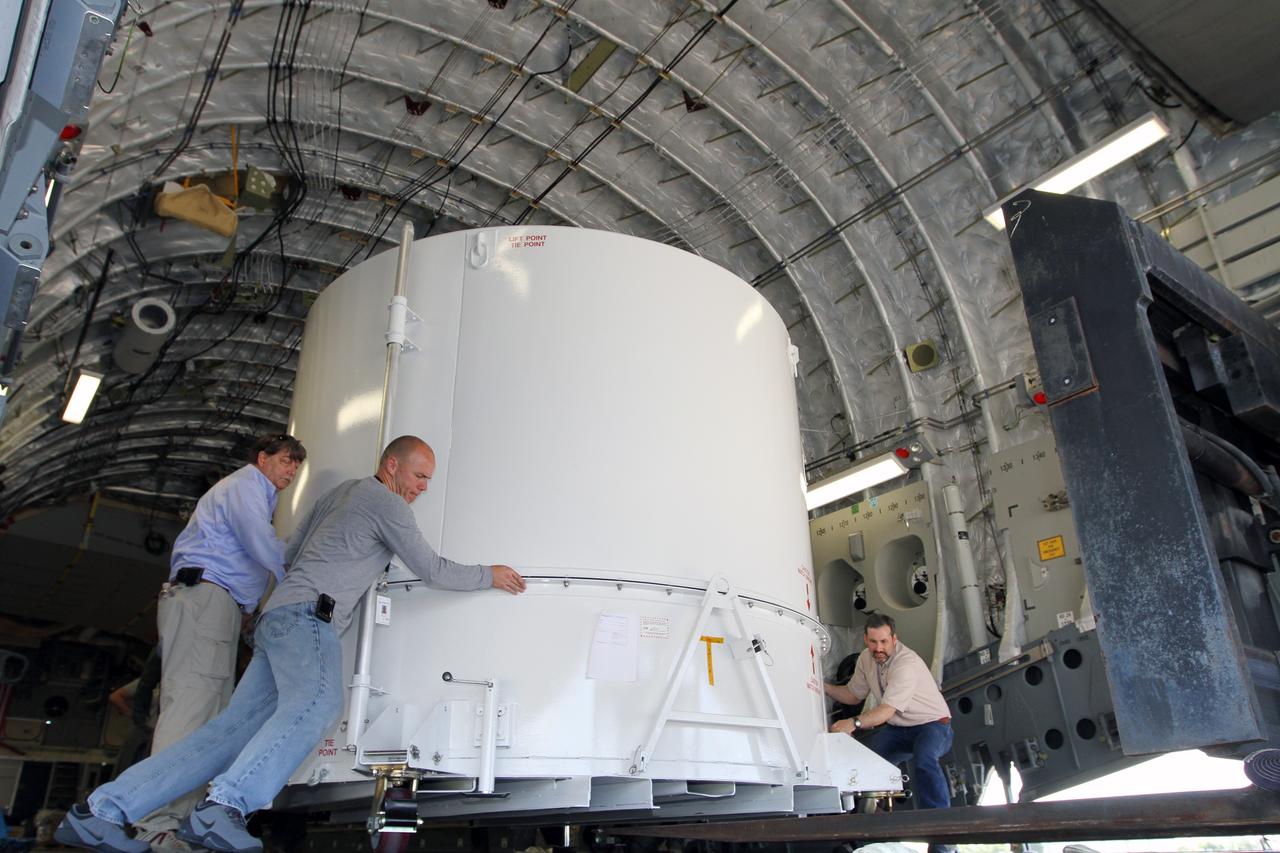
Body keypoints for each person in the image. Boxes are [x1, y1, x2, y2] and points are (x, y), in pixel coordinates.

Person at [57, 435, 526, 853]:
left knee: (225, 734)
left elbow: (289, 553)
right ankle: (225, 804)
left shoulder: (337, 495)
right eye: (420, 476)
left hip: (278, 616)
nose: (423, 487)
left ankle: (102, 810)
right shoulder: (386, 503)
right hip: (308, 618)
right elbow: (432, 568)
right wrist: (490, 575)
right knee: (320, 705)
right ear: (392, 467)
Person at [133, 434, 306, 851]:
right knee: (191, 709)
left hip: (218, 606)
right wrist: (298, 577)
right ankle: (154, 820)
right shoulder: (246, 486)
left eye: (297, 468)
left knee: (208, 714)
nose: (291, 472)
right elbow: (261, 545)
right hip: (206, 599)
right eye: (286, 462)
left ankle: (177, 821)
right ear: (261, 458)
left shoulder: (258, 495)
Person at [824, 614, 954, 812]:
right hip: (899, 729)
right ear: (866, 640)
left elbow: (886, 710)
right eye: (873, 642)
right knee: (865, 762)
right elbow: (852, 695)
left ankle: (942, 826)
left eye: (884, 641)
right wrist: (822, 686)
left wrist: (853, 723)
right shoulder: (865, 659)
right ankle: (868, 817)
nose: (879, 648)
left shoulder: (905, 663)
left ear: (894, 639)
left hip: (933, 724)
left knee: (925, 760)